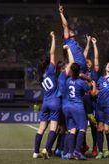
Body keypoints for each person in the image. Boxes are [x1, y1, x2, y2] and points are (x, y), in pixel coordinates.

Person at [60, 46, 97, 160]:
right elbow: (91, 93)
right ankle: (77, 151)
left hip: (67, 107)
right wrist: (92, 83)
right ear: (79, 71)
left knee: (72, 130)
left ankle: (70, 153)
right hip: (77, 106)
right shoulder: (82, 83)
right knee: (82, 128)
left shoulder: (67, 80)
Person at [33, 31, 61, 159]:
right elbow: (52, 52)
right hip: (55, 102)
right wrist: (53, 38)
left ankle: (35, 152)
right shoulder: (51, 70)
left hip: (45, 102)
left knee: (41, 128)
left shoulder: (40, 77)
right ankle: (46, 149)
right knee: (53, 128)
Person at [83, 36, 100, 156]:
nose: (87, 63)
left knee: (94, 125)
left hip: (94, 102)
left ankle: (95, 147)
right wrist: (87, 43)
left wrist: (94, 44)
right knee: (82, 125)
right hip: (83, 101)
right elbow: (83, 56)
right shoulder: (82, 72)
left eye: (90, 62)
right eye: (86, 62)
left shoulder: (94, 72)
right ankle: (83, 145)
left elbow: (96, 58)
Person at [59, 5, 87, 73]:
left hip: (83, 69)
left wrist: (88, 43)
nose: (70, 31)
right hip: (76, 68)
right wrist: (61, 13)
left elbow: (84, 55)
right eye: (69, 31)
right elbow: (65, 26)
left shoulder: (76, 43)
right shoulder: (67, 40)